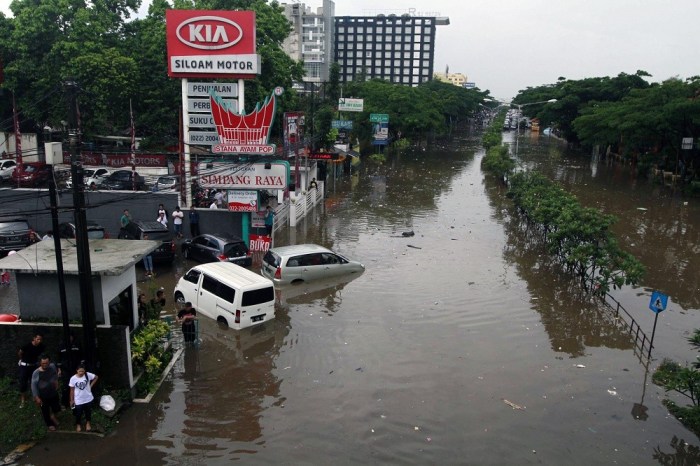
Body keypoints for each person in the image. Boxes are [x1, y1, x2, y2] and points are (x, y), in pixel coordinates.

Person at [31, 354, 60, 431]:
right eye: (43, 363)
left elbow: (55, 375)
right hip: (42, 395)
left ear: (49, 362)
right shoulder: (36, 372)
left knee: (56, 407)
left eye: (46, 363)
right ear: (40, 363)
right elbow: (33, 385)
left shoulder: (52, 367)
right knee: (45, 410)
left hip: (53, 392)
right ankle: (49, 424)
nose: (45, 365)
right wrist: (36, 397)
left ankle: (53, 415)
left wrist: (56, 383)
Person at [18, 332, 46, 407]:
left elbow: (42, 355)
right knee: (23, 382)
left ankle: (35, 397)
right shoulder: (27, 345)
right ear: (34, 338)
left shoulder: (41, 347)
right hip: (24, 366)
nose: (39, 341)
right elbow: (20, 352)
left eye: (40, 339)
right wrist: (21, 360)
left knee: (34, 382)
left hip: (33, 366)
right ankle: (23, 399)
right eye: (38, 339)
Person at [69, 363, 98, 432]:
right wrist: (71, 400)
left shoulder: (88, 375)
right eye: (80, 371)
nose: (81, 373)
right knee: (78, 413)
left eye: (82, 371)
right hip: (78, 399)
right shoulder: (73, 378)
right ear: (76, 371)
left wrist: (91, 385)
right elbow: (72, 390)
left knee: (88, 412)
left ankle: (88, 423)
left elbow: (96, 377)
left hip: (88, 398)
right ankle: (78, 424)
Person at [57, 332, 82, 408]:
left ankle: (77, 401)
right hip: (65, 370)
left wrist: (81, 368)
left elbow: (81, 356)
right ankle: (65, 403)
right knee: (66, 386)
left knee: (77, 385)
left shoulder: (77, 345)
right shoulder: (61, 346)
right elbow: (58, 358)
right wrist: (59, 369)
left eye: (71, 337)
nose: (69, 338)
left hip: (76, 369)